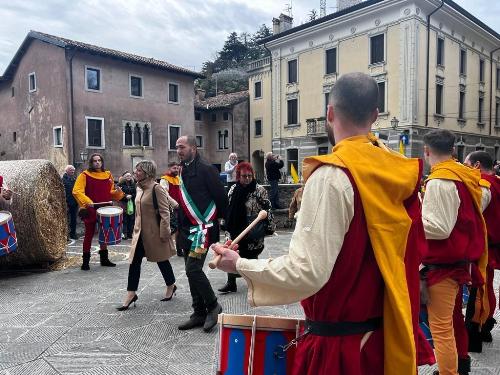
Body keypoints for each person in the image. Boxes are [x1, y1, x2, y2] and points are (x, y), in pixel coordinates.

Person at [212, 72, 426, 374]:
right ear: (376, 116)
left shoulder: (333, 177)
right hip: (382, 343)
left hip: (342, 354)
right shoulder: (397, 171)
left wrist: (240, 265)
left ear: (329, 113)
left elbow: (306, 273)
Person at [421, 130, 490, 375]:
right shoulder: (463, 174)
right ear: (453, 149)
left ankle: (449, 372)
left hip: (443, 265)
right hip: (457, 261)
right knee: (449, 323)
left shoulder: (440, 180)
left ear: (427, 151)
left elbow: (439, 228)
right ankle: (456, 367)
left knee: (440, 329)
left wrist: (407, 224)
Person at [175, 135, 227, 332]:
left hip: (203, 230)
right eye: (177, 148)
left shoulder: (206, 169)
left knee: (193, 269)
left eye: (182, 147)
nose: (178, 151)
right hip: (188, 230)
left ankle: (213, 306)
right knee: (190, 274)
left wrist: (220, 223)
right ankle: (198, 313)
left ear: (193, 148)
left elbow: (221, 197)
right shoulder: (184, 170)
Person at [117, 160, 178, 311]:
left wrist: (165, 234)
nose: (135, 172)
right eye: (135, 170)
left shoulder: (156, 188)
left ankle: (171, 285)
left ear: (147, 172)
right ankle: (131, 293)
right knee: (134, 262)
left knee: (161, 260)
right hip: (139, 234)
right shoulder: (139, 188)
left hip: (155, 233)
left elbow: (165, 212)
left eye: (138, 170)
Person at [218, 162, 273, 294]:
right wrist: (225, 223)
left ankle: (254, 283)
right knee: (231, 254)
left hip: (252, 228)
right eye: (244, 176)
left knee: (251, 257)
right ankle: (231, 283)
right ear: (238, 176)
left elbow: (268, 207)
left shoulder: (259, 190)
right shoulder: (233, 189)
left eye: (249, 176)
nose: (247, 178)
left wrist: (269, 226)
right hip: (235, 227)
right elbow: (228, 208)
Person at [464, 151, 499, 344]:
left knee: (480, 287)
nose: (464, 167)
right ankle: (483, 326)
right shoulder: (496, 182)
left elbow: (473, 215)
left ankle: (478, 329)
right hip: (491, 243)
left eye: (467, 164)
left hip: (484, 245)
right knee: (485, 287)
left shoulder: (484, 184)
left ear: (477, 165)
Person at [72, 153, 124, 271]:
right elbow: (77, 191)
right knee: (89, 234)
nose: (97, 162)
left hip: (105, 208)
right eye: (95, 161)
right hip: (91, 208)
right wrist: (87, 201)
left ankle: (104, 259)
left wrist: (118, 192)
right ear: (91, 162)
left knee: (104, 233)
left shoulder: (108, 174)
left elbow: (110, 192)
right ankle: (85, 262)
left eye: (99, 160)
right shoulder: (84, 175)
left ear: (102, 162)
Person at [160, 162, 182, 256]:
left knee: (179, 229)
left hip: (179, 207)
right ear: (169, 169)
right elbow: (164, 194)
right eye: (174, 168)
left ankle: (179, 249)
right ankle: (165, 249)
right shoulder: (164, 179)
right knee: (170, 229)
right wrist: (174, 204)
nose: (176, 170)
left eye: (177, 168)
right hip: (169, 207)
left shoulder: (178, 179)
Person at [118, 171, 136, 240]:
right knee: (124, 219)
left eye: (130, 176)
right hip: (124, 204)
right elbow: (118, 195)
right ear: (124, 177)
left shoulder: (133, 184)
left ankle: (130, 234)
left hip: (132, 204)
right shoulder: (120, 185)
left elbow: (136, 193)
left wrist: (131, 196)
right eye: (127, 176)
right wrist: (125, 196)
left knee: (131, 219)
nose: (129, 177)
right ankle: (124, 234)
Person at [62, 165, 78, 240]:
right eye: (71, 170)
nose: (73, 171)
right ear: (67, 171)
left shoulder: (74, 179)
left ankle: (73, 233)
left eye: (73, 170)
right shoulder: (62, 180)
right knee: (65, 219)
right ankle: (65, 235)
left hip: (74, 202)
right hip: (66, 202)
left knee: (73, 219)